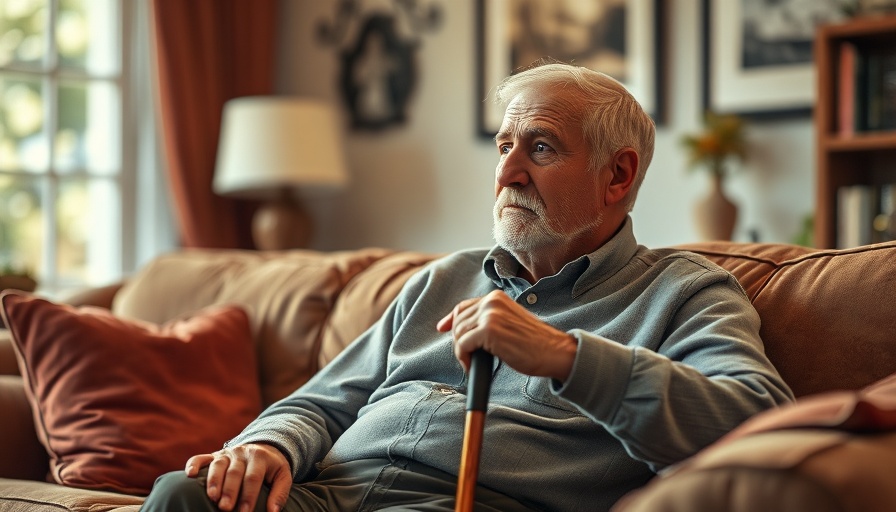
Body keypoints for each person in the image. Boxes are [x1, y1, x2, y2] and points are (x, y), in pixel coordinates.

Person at [141, 62, 794, 512]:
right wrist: (266, 447)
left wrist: (565, 357)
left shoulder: (685, 293)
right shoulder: (443, 279)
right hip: (328, 496)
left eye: (539, 148)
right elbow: (321, 403)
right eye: (504, 145)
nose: (507, 171)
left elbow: (756, 419)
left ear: (616, 176)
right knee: (182, 495)